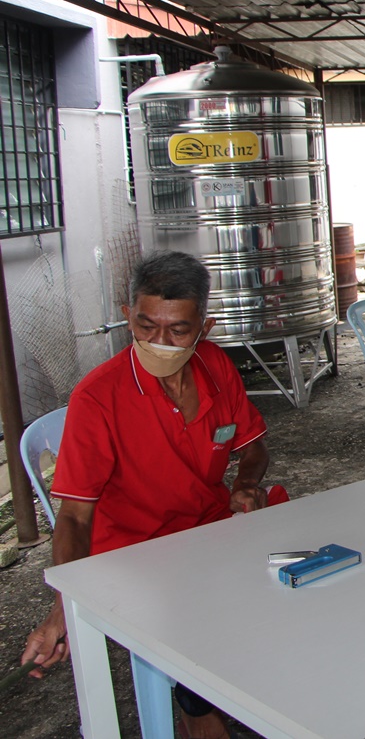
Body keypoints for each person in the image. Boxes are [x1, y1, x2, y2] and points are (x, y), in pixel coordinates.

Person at [22, 250, 272, 739]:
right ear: (126, 317)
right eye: (145, 325)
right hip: (136, 555)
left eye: (178, 330)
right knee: (204, 625)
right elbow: (73, 518)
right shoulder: (98, 399)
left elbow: (253, 446)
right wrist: (64, 606)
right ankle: (198, 707)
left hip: (208, 534)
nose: (160, 341)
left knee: (293, 593)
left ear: (205, 326)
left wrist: (246, 483)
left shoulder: (216, 367)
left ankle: (217, 696)